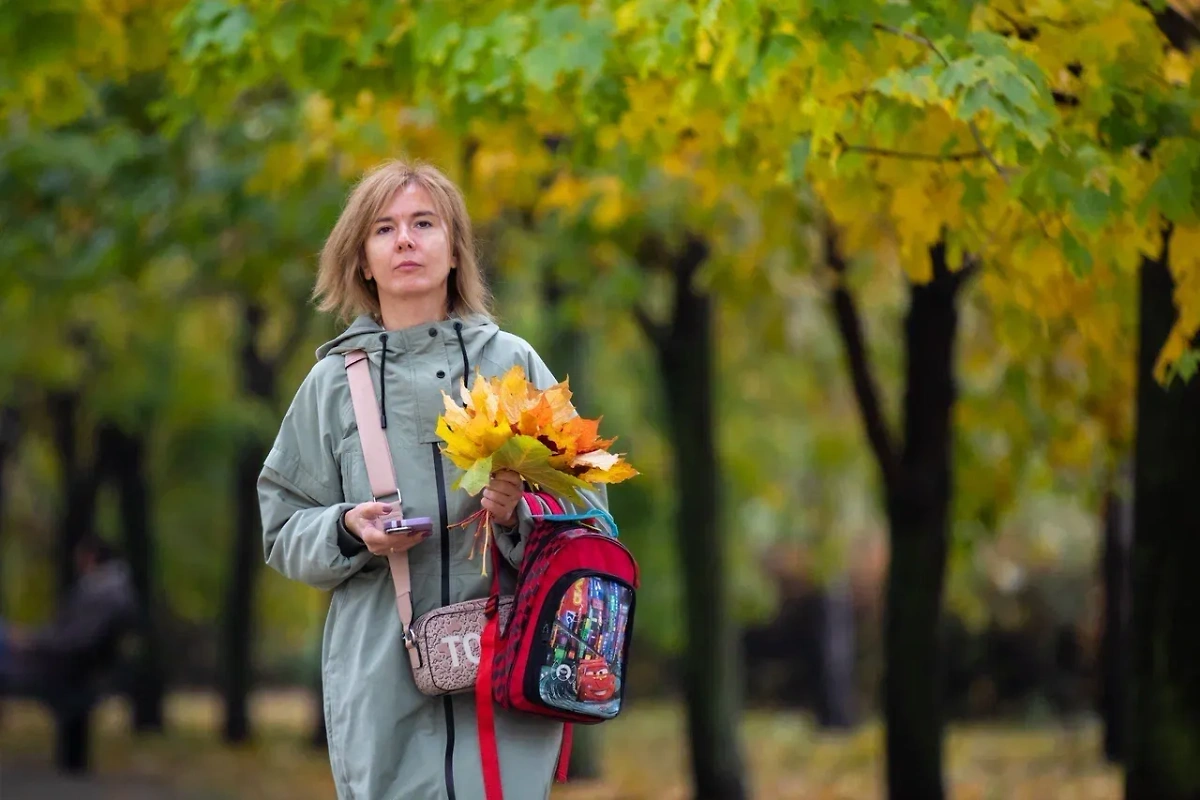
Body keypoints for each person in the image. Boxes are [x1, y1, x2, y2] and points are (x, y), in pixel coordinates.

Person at [259, 159, 607, 800]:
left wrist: (521, 513)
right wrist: (346, 530)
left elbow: (590, 515)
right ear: (362, 259)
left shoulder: (514, 362)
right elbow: (282, 527)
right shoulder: (333, 385)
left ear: (455, 251)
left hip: (508, 678)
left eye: (424, 223)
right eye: (385, 229)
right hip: (379, 686)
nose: (406, 240)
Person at [0, 536, 137, 697]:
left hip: (55, 666)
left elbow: (73, 640)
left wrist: (30, 641)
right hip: (58, 660)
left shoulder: (99, 595)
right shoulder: (109, 592)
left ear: (90, 556)